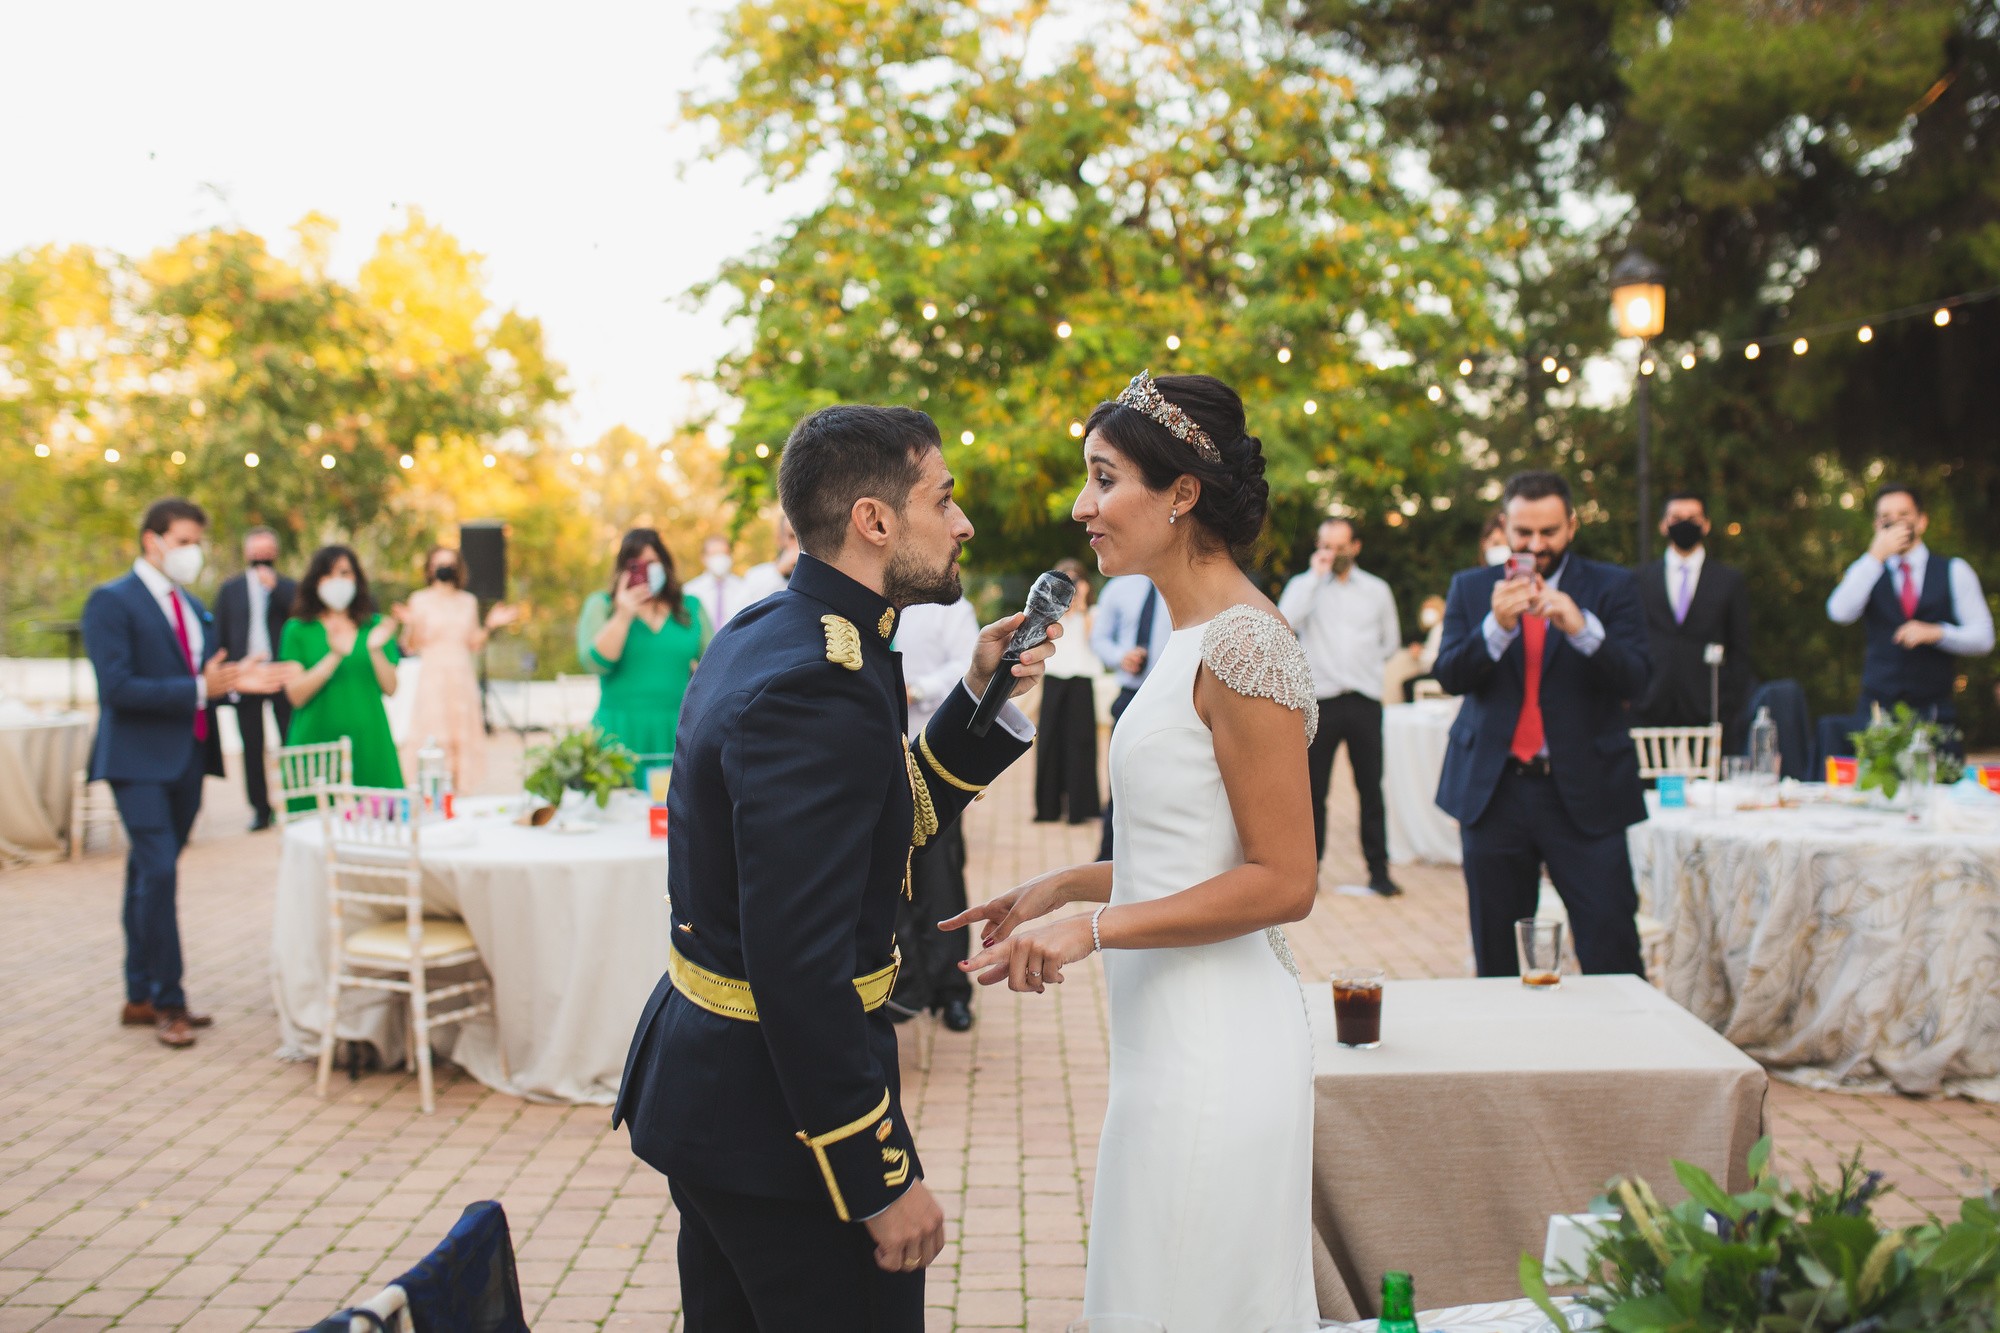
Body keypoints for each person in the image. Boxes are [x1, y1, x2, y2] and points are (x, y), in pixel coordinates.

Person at [613, 403, 1049, 1331]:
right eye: (945, 498)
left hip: (727, 1105)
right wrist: (878, 1178)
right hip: (778, 1131)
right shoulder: (820, 676)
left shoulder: (788, 629)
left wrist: (978, 695)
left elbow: (878, 827)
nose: (963, 523)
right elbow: (798, 965)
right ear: (874, 520)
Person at [947, 371, 1320, 1330]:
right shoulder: (1186, 630)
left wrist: (1094, 928)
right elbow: (1197, 846)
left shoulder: (1246, 645)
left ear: (1182, 491)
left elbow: (1284, 878)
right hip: (1165, 1040)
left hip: (1219, 1046)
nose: (1084, 508)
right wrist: (1057, 883)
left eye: (1105, 479)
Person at [83, 498, 290, 1047]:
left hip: (188, 758)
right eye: (184, 541)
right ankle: (169, 1002)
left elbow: (206, 677)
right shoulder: (111, 602)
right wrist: (205, 687)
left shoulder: (193, 606)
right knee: (161, 872)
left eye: (198, 542)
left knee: (146, 877)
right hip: (136, 762)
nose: (193, 552)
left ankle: (138, 993)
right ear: (152, 540)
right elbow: (118, 689)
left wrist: (234, 679)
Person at [1433, 470, 1650, 977]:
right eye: (1523, 532)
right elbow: (1449, 674)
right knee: (1498, 954)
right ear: (1505, 526)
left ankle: (1627, 1050)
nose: (1535, 544)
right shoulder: (1472, 588)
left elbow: (1638, 679)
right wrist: (1495, 629)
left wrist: (1583, 629)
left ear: (1572, 526)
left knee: (1611, 942)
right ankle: (1508, 1054)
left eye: (1548, 532)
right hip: (1496, 791)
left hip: (1587, 790)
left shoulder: (1612, 586)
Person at [1278, 516, 1403, 896]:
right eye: (1326, 545)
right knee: (1315, 791)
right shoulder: (1304, 586)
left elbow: (1390, 642)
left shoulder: (1377, 590)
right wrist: (1315, 579)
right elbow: (1284, 623)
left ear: (1356, 547)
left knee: (1371, 789)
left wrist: (1364, 668)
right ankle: (1309, 874)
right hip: (1321, 702)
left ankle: (1379, 872)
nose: (1332, 553)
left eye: (1339, 546)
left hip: (1364, 700)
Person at [1823, 484, 1993, 753]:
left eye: (1903, 514)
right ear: (1876, 525)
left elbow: (1984, 638)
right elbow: (1839, 612)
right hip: (1877, 716)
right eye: (1885, 516)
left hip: (1935, 715)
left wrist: (1938, 633)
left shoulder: (1954, 570)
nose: (1894, 522)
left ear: (1921, 521)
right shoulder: (1867, 570)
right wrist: (1875, 555)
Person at [888, 594, 983, 1031]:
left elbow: (968, 670)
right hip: (875, 753)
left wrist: (915, 688)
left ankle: (951, 990)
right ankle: (903, 985)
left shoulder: (949, 608)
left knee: (940, 875)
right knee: (887, 880)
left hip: (930, 753)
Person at [280, 546, 405, 807]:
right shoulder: (297, 629)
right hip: (316, 742)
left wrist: (375, 649)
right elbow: (296, 695)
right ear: (315, 581)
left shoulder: (375, 626)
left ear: (357, 579)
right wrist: (334, 656)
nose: (337, 581)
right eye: (328, 574)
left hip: (370, 740)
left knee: (381, 824)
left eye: (345, 573)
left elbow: (391, 688)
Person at [576, 530, 710, 762]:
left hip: (676, 730)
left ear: (665, 565)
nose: (646, 571)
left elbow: (717, 665)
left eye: (652, 563)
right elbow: (596, 663)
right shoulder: (602, 605)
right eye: (637, 565)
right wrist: (623, 615)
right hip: (617, 731)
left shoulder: (691, 607)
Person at [1634, 494, 1754, 749]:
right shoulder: (1640, 579)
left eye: (1692, 518)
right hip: (1652, 709)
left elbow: (1740, 649)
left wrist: (1728, 703)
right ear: (1663, 525)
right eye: (1676, 518)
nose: (1684, 524)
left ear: (1706, 524)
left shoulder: (1728, 581)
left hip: (1710, 711)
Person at [396, 546, 518, 793]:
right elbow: (410, 645)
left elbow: (473, 643)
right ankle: (431, 789)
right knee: (433, 732)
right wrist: (409, 625)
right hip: (433, 676)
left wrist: (491, 625)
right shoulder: (419, 600)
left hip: (461, 675)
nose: (444, 568)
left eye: (450, 563)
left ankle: (458, 791)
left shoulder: (467, 601)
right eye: (439, 563)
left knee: (460, 732)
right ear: (430, 568)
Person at [211, 526, 297, 831]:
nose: (262, 557)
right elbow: (219, 633)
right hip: (246, 677)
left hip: (280, 674)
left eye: (267, 551)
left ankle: (295, 801)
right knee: (252, 745)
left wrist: (277, 591)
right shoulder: (230, 589)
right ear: (247, 553)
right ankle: (260, 809)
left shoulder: (288, 587)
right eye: (256, 551)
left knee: (290, 739)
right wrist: (226, 675)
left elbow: (300, 617)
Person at [1088, 571, 1173, 859]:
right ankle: (1109, 860)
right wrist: (1120, 656)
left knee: (1165, 785)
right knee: (1121, 782)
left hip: (1172, 698)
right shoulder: (1118, 588)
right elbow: (1099, 639)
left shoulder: (1181, 585)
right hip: (1129, 698)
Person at [1034, 556, 1104, 825]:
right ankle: (1048, 807)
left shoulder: (1093, 613)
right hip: (1053, 678)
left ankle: (1081, 806)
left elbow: (1094, 641)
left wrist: (1082, 605)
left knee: (1081, 744)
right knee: (1049, 743)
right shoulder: (1049, 614)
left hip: (1081, 680)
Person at [684, 535, 752, 630]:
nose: (719, 558)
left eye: (724, 553)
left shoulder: (744, 589)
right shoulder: (690, 590)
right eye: (714, 554)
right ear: (703, 558)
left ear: (730, 556)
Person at [740, 514, 799, 605]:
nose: (799, 544)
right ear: (779, 540)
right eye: (792, 537)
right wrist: (779, 572)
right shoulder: (756, 576)